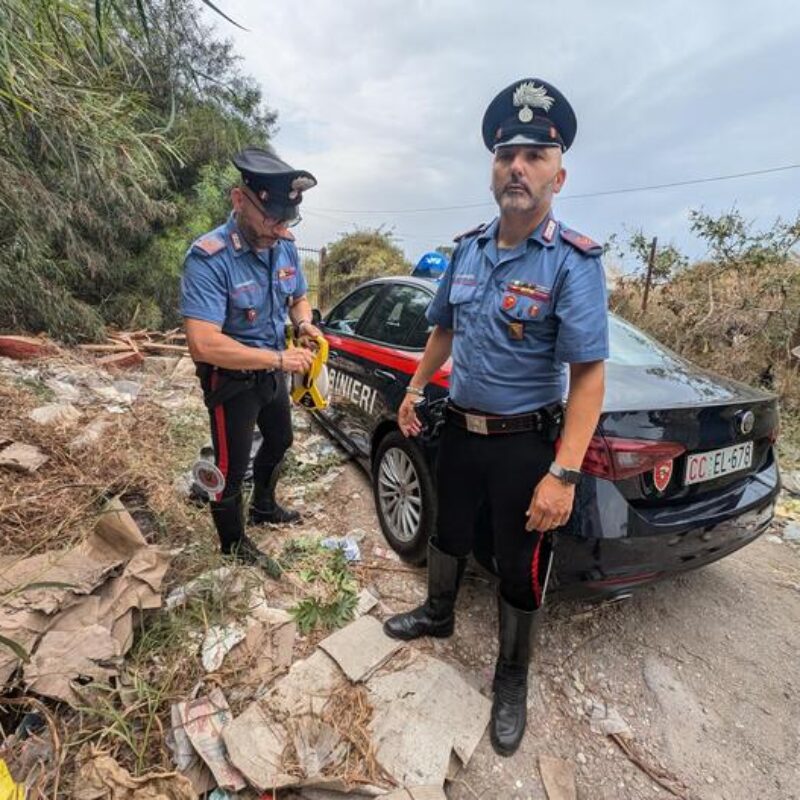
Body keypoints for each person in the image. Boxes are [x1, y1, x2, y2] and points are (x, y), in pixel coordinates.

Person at [383, 79, 608, 756]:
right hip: (461, 429)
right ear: (491, 168)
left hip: (522, 448)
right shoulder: (467, 251)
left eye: (535, 156)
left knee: (518, 564)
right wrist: (416, 387)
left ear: (557, 175)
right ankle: (438, 613)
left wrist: (563, 475)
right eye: (506, 152)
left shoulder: (573, 262)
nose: (517, 165)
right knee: (448, 532)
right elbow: (443, 329)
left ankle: (511, 678)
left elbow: (589, 376)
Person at [180, 146, 323, 575]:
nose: (278, 230)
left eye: (286, 221)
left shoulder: (283, 245)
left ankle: (263, 506)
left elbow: (298, 296)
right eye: (270, 218)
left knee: (280, 440)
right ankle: (234, 544)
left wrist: (303, 323)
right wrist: (278, 358)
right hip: (231, 380)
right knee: (229, 465)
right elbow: (203, 343)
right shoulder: (209, 257)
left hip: (272, 370)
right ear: (239, 199)